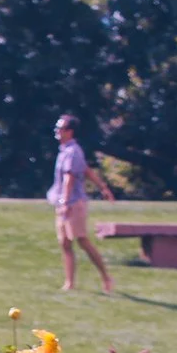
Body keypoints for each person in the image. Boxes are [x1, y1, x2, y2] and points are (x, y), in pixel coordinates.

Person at [49, 113, 119, 293]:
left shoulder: (73, 151)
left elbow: (69, 178)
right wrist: (103, 187)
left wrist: (64, 202)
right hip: (63, 202)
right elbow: (86, 170)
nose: (57, 131)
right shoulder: (66, 150)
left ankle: (106, 277)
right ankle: (69, 283)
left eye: (61, 128)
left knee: (82, 241)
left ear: (70, 132)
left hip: (73, 203)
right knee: (65, 243)